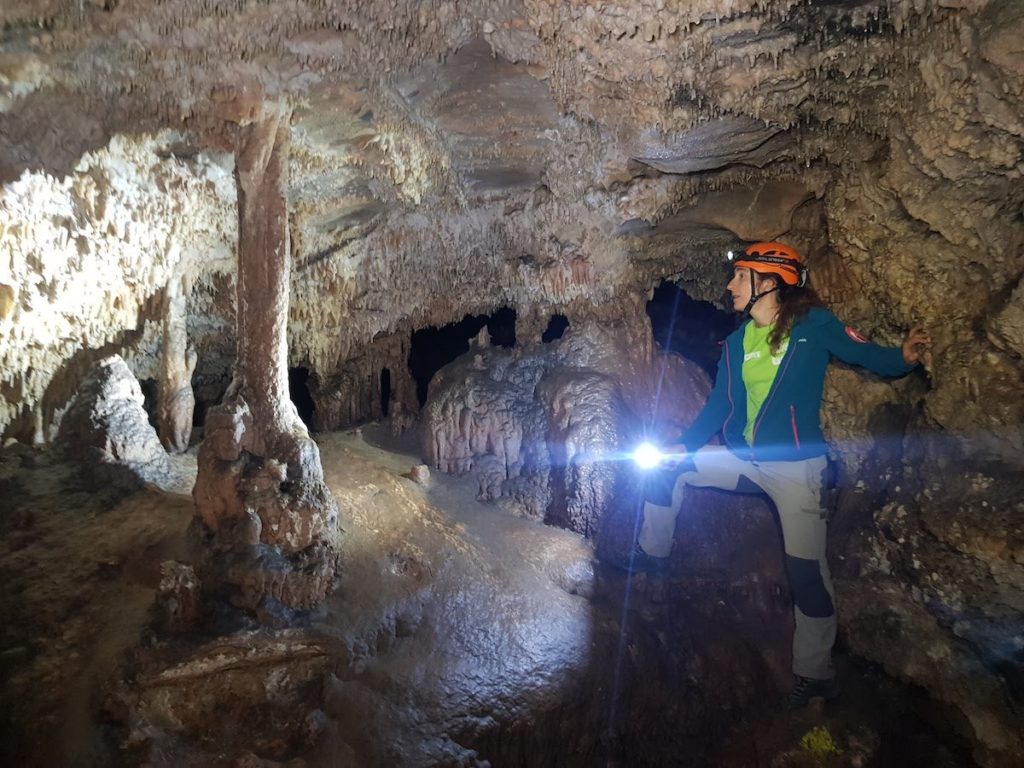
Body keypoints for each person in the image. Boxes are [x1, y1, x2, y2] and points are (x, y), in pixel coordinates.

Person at [635, 241, 930, 709]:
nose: (729, 286)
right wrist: (683, 446)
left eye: (740, 277)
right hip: (747, 462)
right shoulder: (736, 344)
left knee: (806, 573)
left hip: (796, 470)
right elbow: (720, 406)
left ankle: (816, 674)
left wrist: (904, 358)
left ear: (769, 283)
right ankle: (654, 558)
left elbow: (865, 354)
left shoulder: (814, 327)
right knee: (665, 470)